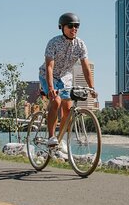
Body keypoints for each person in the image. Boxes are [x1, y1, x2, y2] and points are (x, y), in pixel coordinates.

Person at [39, 12, 97, 152]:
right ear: (62, 27)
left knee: (68, 111)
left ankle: (58, 141)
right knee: (56, 101)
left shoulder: (80, 45)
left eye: (76, 26)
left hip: (65, 78)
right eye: (70, 26)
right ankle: (51, 137)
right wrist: (51, 87)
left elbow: (85, 68)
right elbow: (49, 67)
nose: (74, 29)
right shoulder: (53, 42)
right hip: (49, 75)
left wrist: (92, 87)